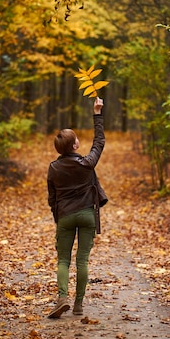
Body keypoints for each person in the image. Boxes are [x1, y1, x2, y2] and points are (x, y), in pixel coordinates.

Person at [47, 96, 108, 319]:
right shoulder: (86, 163)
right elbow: (99, 142)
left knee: (63, 260)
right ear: (74, 145)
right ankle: (79, 305)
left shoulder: (53, 168)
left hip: (65, 216)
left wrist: (58, 216)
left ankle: (62, 297)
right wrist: (97, 114)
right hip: (87, 215)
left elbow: (51, 197)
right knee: (82, 261)